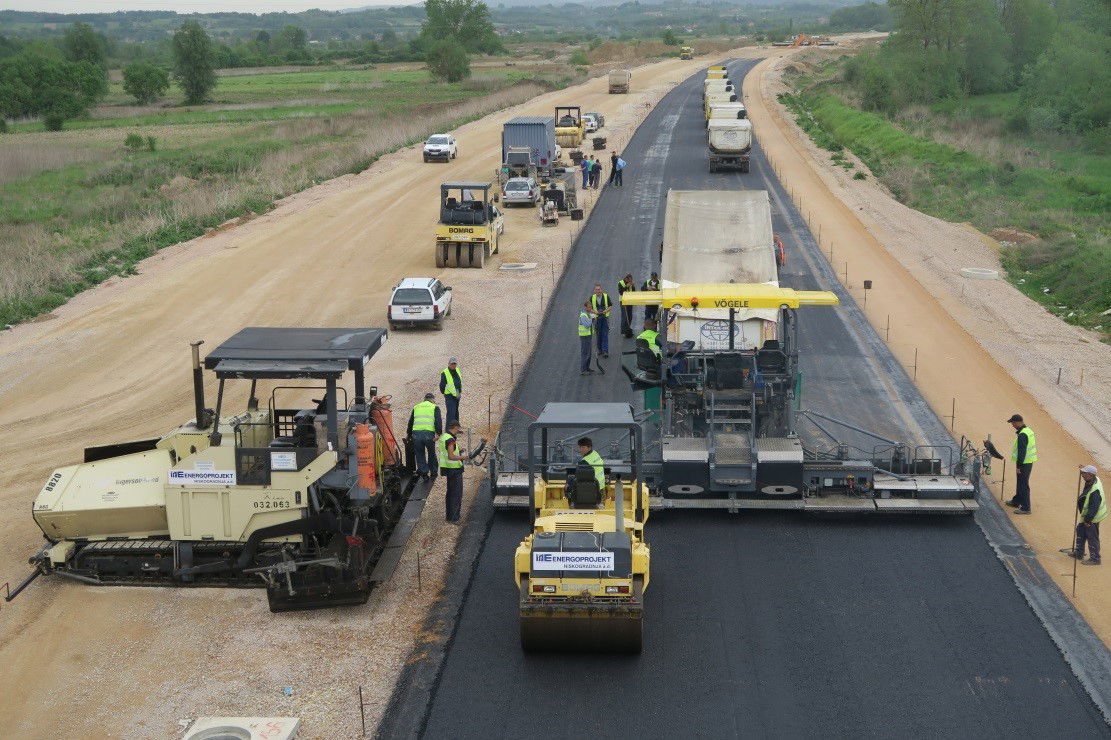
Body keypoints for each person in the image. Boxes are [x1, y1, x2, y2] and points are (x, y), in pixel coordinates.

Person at [1066, 465, 1106, 565]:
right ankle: (1079, 553)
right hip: (1087, 515)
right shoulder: (1093, 479)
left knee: (1092, 537)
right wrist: (1083, 469)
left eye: (1084, 473)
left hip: (1092, 517)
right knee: (1080, 530)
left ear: (1091, 475)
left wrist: (1088, 520)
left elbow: (1094, 507)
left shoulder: (1095, 491)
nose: (1082, 475)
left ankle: (1095, 558)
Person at [1004, 414, 1037, 514]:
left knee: (1023, 485)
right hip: (1028, 462)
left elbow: (1021, 452)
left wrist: (1019, 466)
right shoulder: (1028, 430)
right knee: (1020, 483)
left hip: (1024, 463)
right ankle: (1016, 501)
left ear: (1018, 422)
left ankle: (1026, 508)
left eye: (1013, 423)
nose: (1012, 425)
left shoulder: (1023, 434)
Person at [406, 392, 442, 480]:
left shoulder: (416, 407)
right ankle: (433, 473)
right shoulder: (435, 407)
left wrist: (409, 434)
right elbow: (438, 422)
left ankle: (424, 474)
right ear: (432, 400)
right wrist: (439, 434)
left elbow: (411, 422)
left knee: (419, 454)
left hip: (416, 435)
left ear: (424, 399)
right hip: (428, 435)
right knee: (431, 453)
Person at [437, 420, 467, 523]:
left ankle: (449, 517)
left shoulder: (444, 436)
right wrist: (464, 457)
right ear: (455, 427)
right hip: (454, 470)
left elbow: (448, 451)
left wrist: (459, 450)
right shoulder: (450, 440)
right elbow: (451, 456)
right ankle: (454, 519)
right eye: (459, 428)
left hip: (447, 469)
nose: (459, 430)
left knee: (450, 493)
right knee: (456, 494)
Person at [590, 283, 612, 359]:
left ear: (601, 290)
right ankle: (600, 350)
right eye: (596, 289)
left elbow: (610, 305)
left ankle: (605, 351)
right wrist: (595, 312)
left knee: (605, 334)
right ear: (594, 290)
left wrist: (605, 311)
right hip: (596, 319)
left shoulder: (606, 296)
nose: (598, 291)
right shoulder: (592, 298)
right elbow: (589, 308)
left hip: (605, 317)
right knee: (598, 335)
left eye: (599, 289)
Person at [440, 358, 462, 426]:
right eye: (452, 364)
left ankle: (456, 428)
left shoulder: (457, 370)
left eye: (455, 363)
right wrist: (445, 392)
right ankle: (449, 430)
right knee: (451, 413)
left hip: (457, 393)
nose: (453, 365)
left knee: (456, 411)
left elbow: (459, 381)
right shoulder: (445, 372)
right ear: (449, 364)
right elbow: (442, 385)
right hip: (449, 395)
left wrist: (459, 392)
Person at [617, 273, 636, 338]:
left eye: (631, 281)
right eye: (629, 281)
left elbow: (633, 292)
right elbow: (621, 292)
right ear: (626, 279)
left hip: (629, 301)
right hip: (623, 301)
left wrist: (633, 286)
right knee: (625, 316)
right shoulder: (620, 283)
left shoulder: (630, 283)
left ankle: (628, 329)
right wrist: (627, 286)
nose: (630, 282)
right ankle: (624, 331)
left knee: (630, 316)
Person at [578, 300, 594, 376]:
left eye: (591, 307)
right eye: (589, 307)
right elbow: (587, 325)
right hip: (584, 336)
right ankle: (583, 370)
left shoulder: (588, 314)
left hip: (589, 335)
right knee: (585, 353)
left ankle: (587, 368)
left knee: (589, 353)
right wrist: (591, 318)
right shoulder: (583, 315)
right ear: (585, 307)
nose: (590, 308)